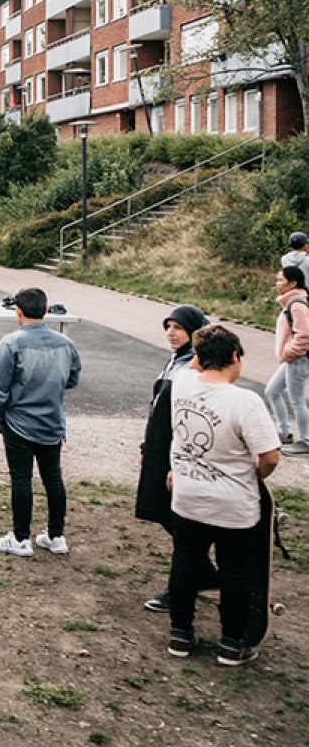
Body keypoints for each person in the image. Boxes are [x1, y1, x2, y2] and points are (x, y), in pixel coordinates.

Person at [165, 324, 281, 666]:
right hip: (234, 505)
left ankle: (180, 634)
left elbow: (191, 369)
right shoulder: (244, 401)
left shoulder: (182, 385)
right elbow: (270, 456)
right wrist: (256, 474)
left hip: (187, 497)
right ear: (235, 357)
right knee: (235, 572)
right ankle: (232, 643)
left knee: (185, 564)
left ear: (198, 359)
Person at [0, 287, 82, 558]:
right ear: (47, 310)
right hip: (52, 421)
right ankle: (56, 534)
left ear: (18, 311)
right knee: (53, 478)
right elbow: (73, 379)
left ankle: (20, 537)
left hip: (19, 421)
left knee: (21, 479)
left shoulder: (12, 343)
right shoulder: (65, 343)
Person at [137, 304, 208, 615]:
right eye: (168, 327)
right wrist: (146, 448)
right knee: (163, 512)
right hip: (159, 444)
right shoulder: (177, 360)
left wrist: (178, 462)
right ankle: (202, 571)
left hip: (177, 449)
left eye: (178, 328)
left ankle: (184, 583)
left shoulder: (198, 365)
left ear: (194, 331)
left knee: (181, 520)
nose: (171, 333)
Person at [266, 265, 309, 451]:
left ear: (292, 284)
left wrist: (289, 352)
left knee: (297, 400)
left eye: (280, 280)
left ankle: (305, 441)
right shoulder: (292, 302)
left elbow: (304, 334)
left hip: (297, 359)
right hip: (291, 359)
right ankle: (285, 433)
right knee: (271, 391)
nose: (277, 283)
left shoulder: (297, 304)